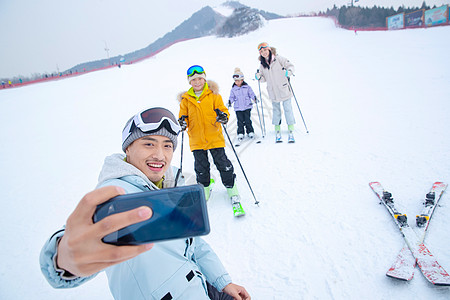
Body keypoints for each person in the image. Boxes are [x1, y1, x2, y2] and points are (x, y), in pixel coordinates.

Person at [39, 107, 251, 300]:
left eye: (167, 146)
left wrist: (223, 281)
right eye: (148, 143)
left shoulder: (170, 184)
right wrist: (64, 260)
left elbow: (194, 243)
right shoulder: (117, 193)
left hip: (200, 285)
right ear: (128, 149)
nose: (160, 155)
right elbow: (75, 243)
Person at [178, 65, 240, 204]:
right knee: (201, 167)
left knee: (223, 164)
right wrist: (182, 122)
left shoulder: (213, 95)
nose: (197, 82)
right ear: (189, 82)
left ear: (204, 79)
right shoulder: (186, 100)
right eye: (193, 80)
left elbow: (224, 110)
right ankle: (205, 188)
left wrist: (224, 116)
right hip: (196, 140)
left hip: (214, 137)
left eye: (200, 78)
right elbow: (183, 117)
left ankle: (231, 187)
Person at [255, 42, 296, 143]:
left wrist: (289, 72)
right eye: (261, 51)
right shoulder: (262, 64)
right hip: (273, 92)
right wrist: (259, 77)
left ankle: (290, 127)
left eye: (265, 50)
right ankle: (277, 128)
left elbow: (290, 66)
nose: (264, 53)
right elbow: (263, 79)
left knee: (287, 109)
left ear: (269, 49)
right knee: (276, 110)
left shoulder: (279, 59)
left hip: (284, 89)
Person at [228, 67, 256, 144]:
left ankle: (250, 131)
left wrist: (254, 98)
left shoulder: (247, 87)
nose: (237, 82)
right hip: (238, 108)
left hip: (247, 106)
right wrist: (230, 102)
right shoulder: (233, 89)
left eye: (238, 80)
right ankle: (240, 132)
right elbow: (232, 97)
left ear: (242, 80)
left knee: (247, 120)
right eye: (235, 81)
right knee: (240, 121)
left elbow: (251, 94)